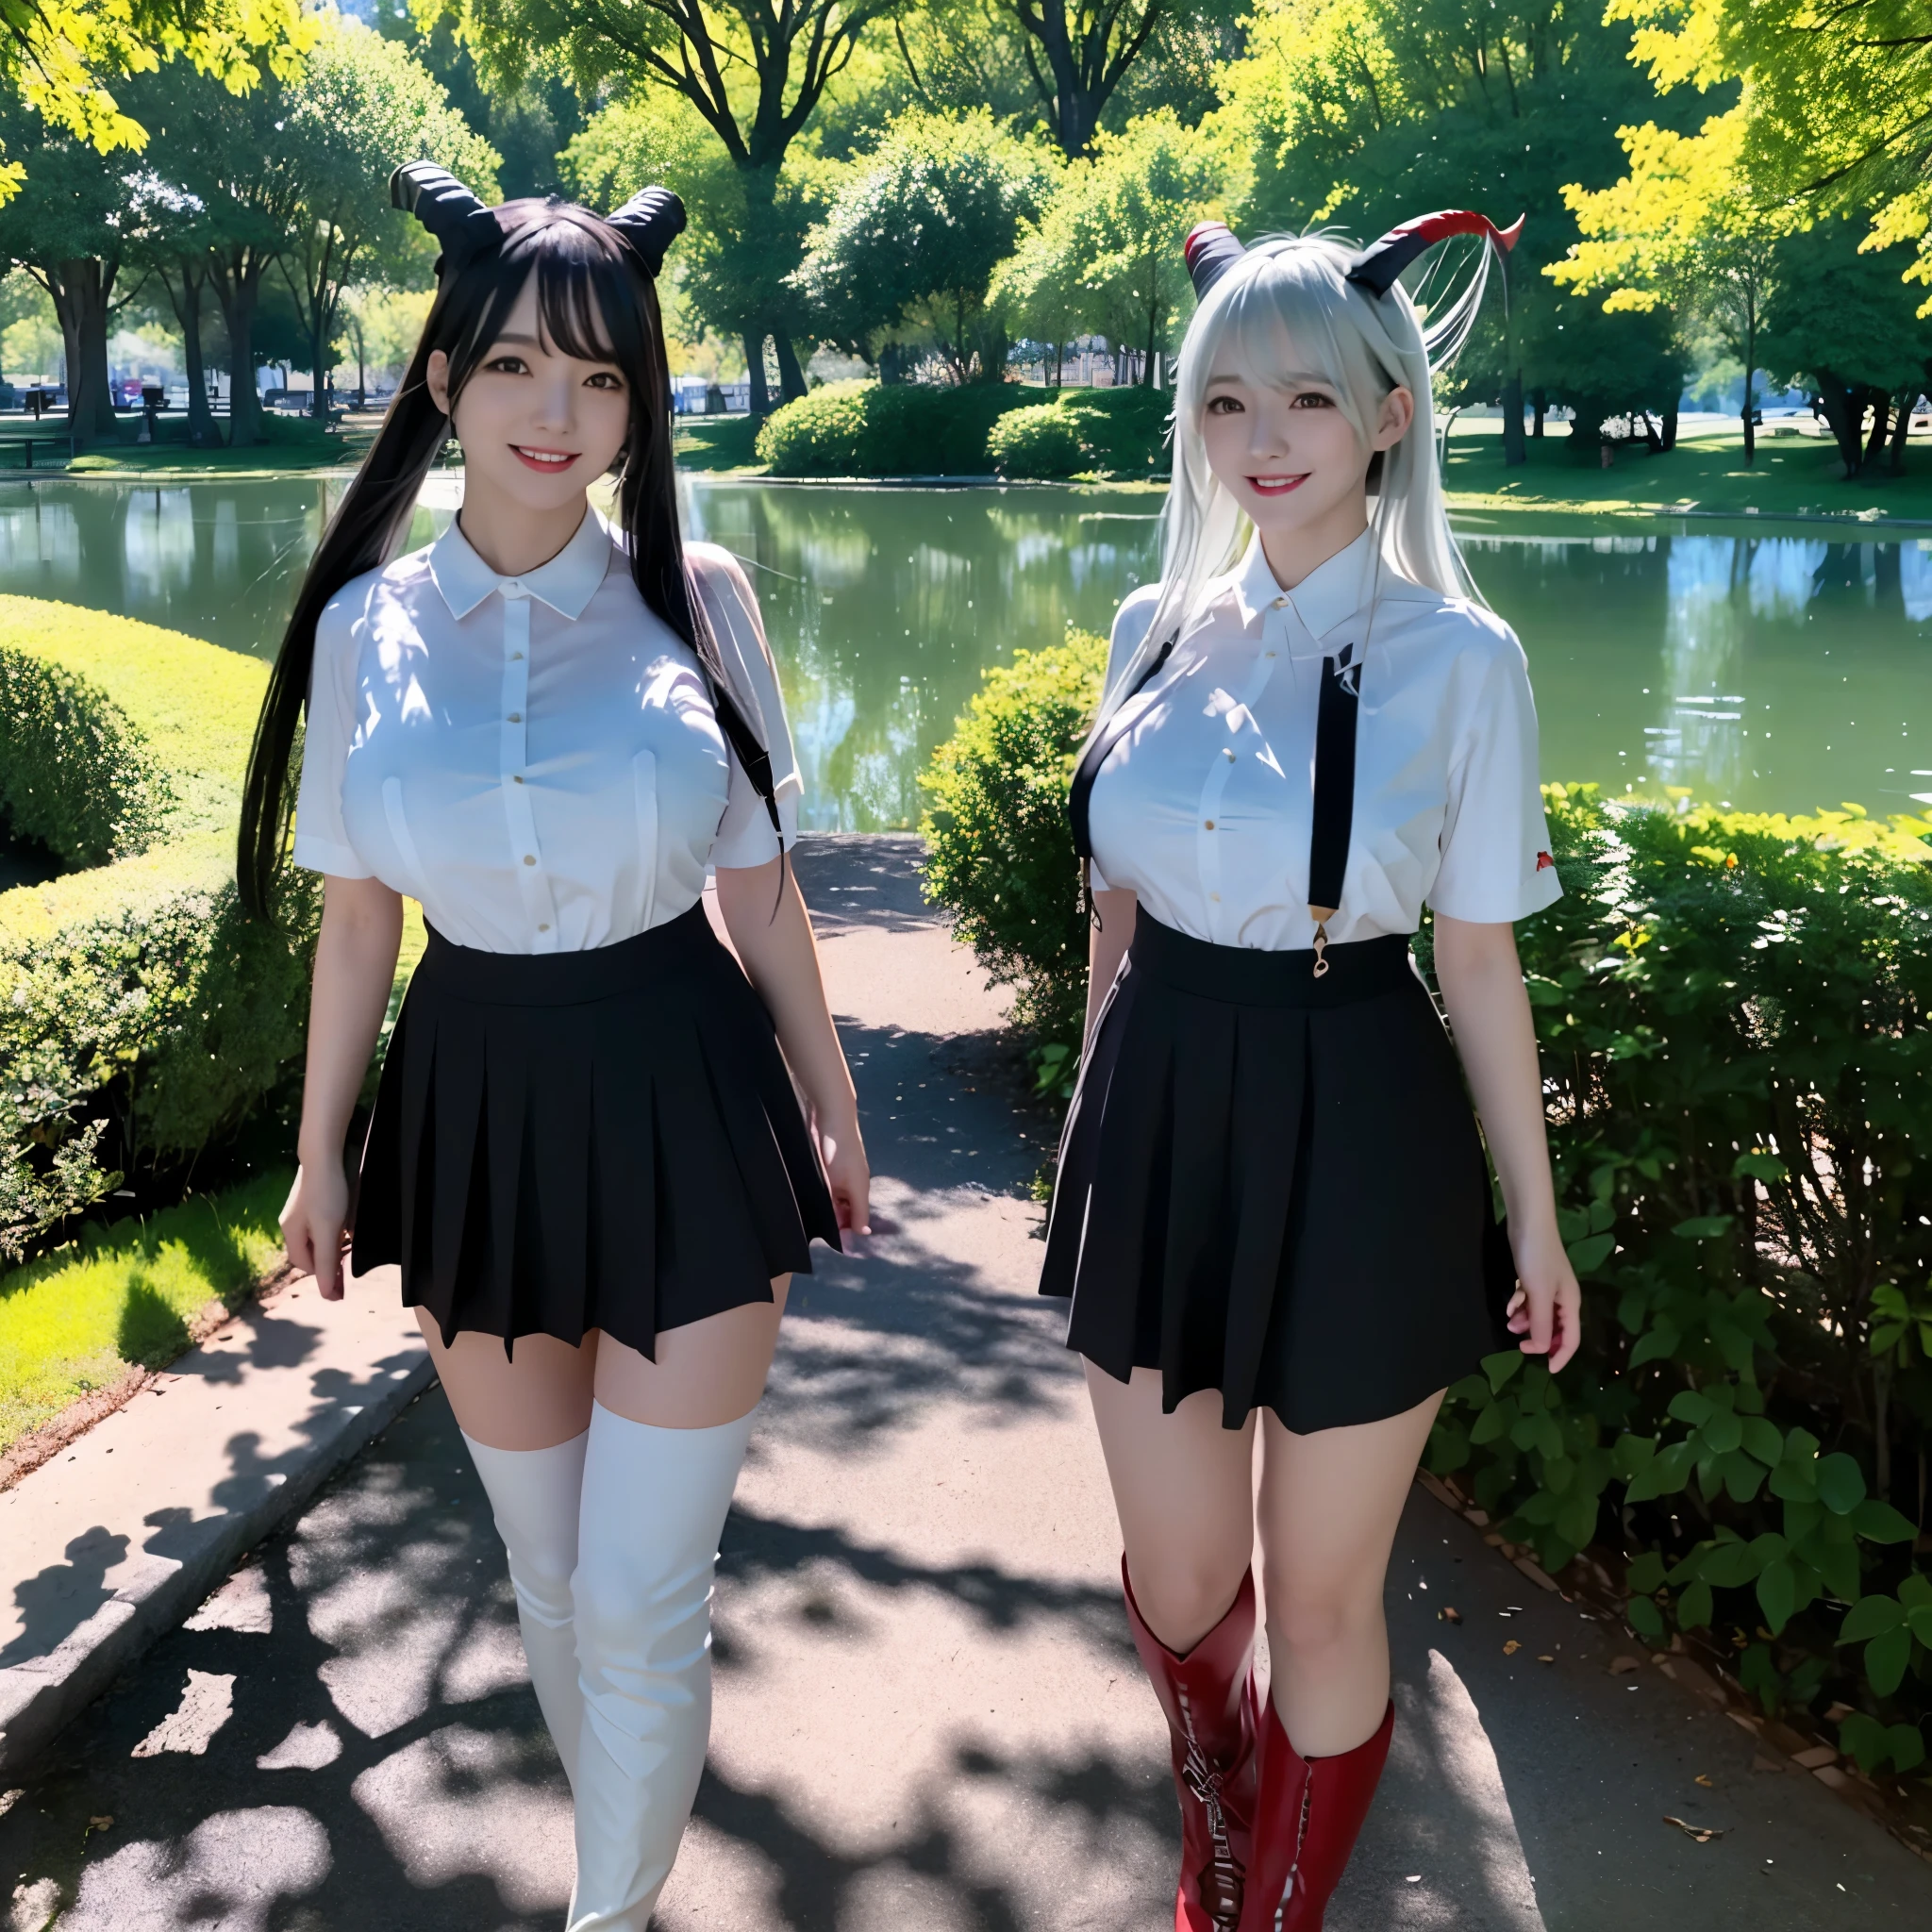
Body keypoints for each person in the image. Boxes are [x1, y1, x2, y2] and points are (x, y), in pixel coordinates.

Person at [238, 163, 870, 1931]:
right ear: (443, 381)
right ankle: (637, 1882)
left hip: (685, 1084)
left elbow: (761, 896)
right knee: (553, 1576)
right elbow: (358, 916)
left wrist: (832, 1102)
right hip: (478, 1098)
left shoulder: (700, 596)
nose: (558, 413)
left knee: (645, 1585)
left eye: (600, 379)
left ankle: (603, 1913)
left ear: (638, 404)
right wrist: (318, 1153)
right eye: (517, 367)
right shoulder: (369, 629)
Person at [1039, 213, 1582, 1932]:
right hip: (1160, 1108)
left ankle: (1259, 1912)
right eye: (1224, 405)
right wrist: (1087, 1108)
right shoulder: (1150, 629)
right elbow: (1114, 920)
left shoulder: (1462, 662)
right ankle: (1222, 1819)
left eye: (1305, 403)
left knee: (1323, 1599)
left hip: (1360, 1121)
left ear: (1388, 415)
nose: (1262, 444)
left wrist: (1536, 1226)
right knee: (1188, 1583)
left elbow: (1478, 962)